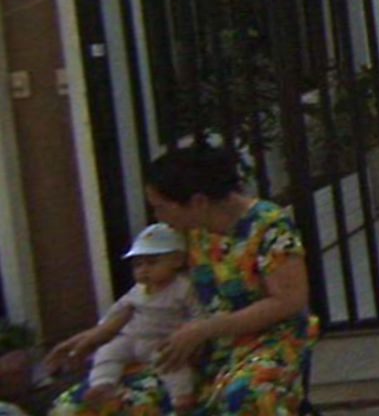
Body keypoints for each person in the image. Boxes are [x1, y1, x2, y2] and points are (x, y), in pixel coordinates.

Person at [50, 145, 319, 415]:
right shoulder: (186, 232)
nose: (158, 217)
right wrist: (100, 334)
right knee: (77, 407)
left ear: (198, 202)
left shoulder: (268, 225)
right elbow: (150, 291)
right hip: (191, 350)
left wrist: (205, 329)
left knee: (248, 398)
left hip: (266, 343)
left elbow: (289, 300)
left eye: (161, 208)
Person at [46, 223, 201, 415]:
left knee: (171, 363)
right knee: (108, 352)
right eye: (138, 265)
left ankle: (181, 396)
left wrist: (192, 336)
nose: (144, 270)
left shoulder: (182, 288)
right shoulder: (138, 291)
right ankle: (103, 385)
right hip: (132, 338)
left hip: (162, 340)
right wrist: (90, 337)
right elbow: (114, 315)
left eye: (152, 263)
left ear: (177, 260)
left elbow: (197, 313)